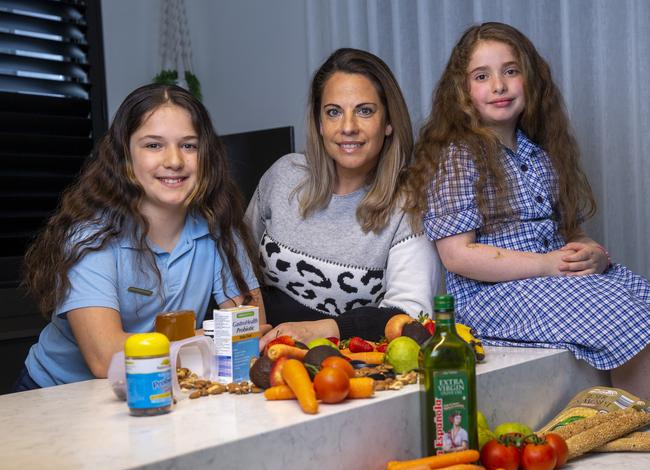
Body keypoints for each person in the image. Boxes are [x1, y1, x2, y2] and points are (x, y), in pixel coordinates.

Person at [407, 22, 650, 399]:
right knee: (618, 309)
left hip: (550, 282)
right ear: (463, 92)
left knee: (640, 293)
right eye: (482, 76)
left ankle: (634, 430)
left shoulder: (539, 153)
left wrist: (595, 256)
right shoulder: (459, 157)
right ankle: (643, 432)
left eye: (510, 70)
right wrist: (546, 265)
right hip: (490, 298)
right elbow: (457, 255)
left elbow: (568, 234)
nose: (499, 85)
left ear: (529, 79)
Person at [16, 84, 264, 390]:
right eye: (153, 145)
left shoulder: (219, 229)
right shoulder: (92, 236)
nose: (174, 160)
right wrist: (203, 338)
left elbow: (249, 335)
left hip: (162, 387)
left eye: (189, 145)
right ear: (125, 156)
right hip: (62, 395)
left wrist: (211, 339)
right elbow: (105, 357)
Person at [247, 48, 440, 349]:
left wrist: (320, 330)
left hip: (348, 374)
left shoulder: (409, 204)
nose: (348, 127)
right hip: (259, 359)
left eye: (365, 111)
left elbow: (410, 315)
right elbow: (235, 266)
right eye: (333, 112)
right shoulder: (283, 175)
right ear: (320, 124)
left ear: (388, 122)